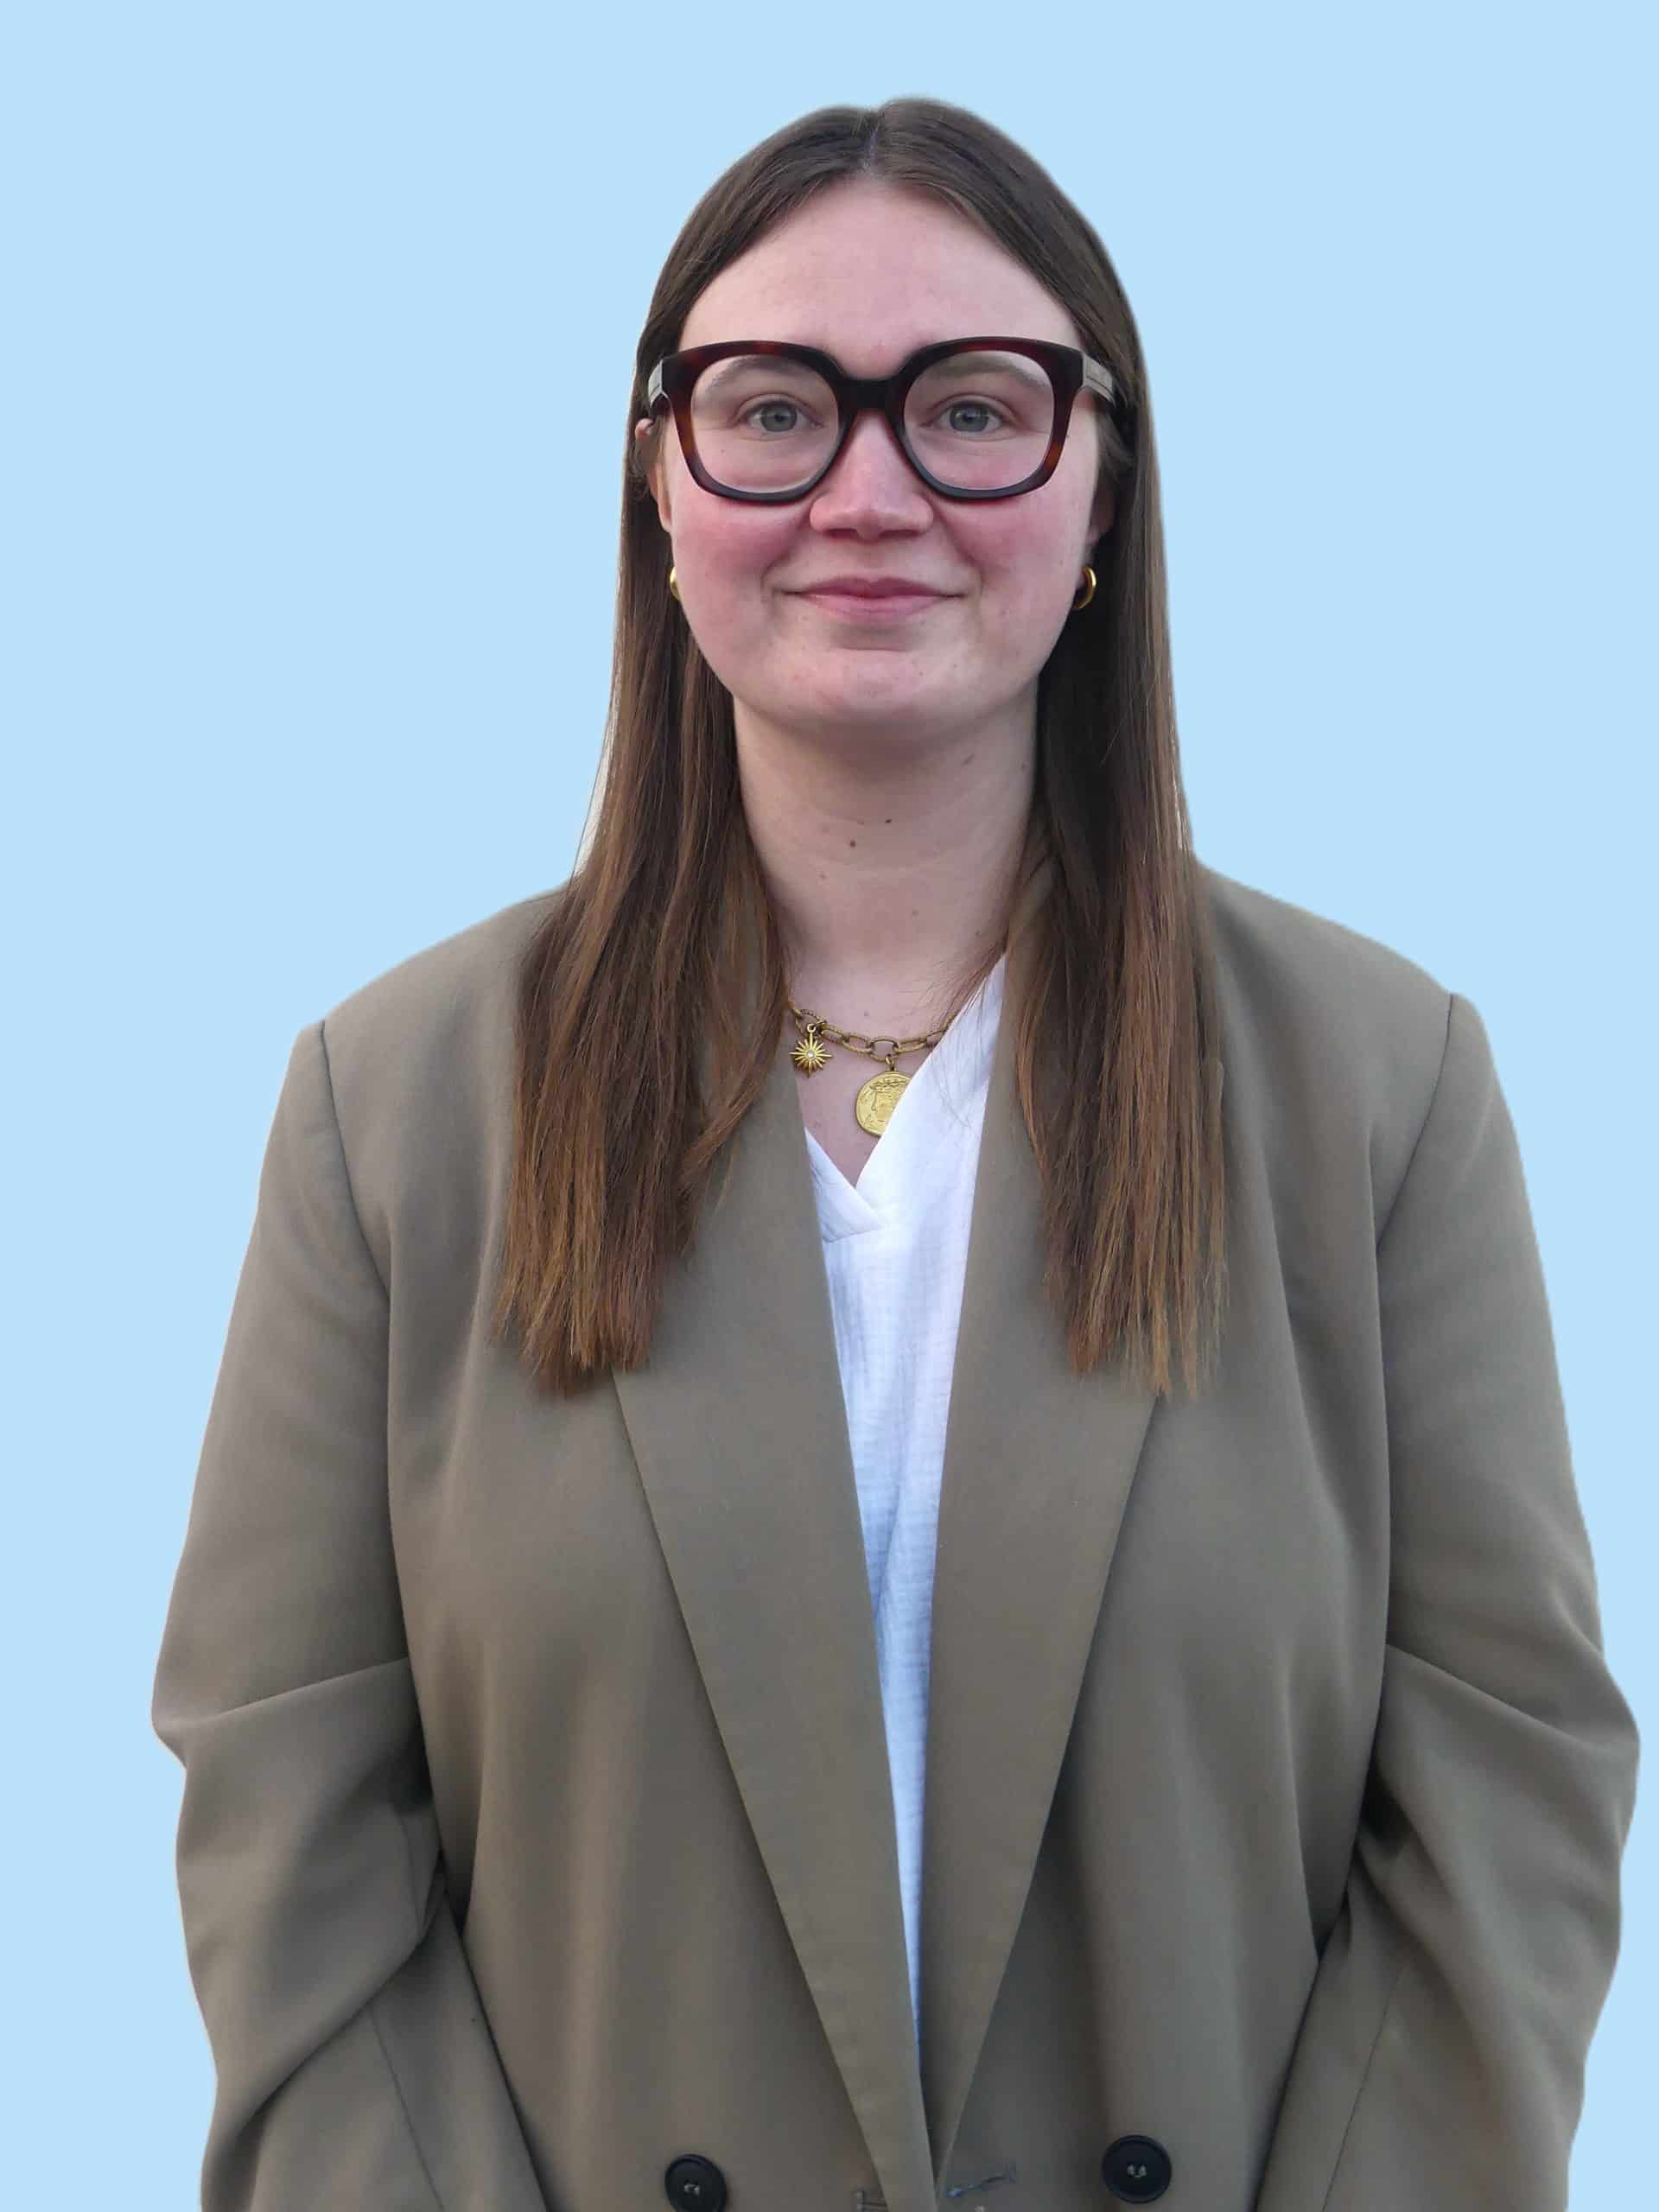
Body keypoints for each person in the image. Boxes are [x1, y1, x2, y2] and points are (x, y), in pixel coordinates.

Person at [152, 96, 1639, 2212]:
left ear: (1104, 485)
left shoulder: (1380, 1090)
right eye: (774, 410)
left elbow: (1507, 1794)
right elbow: (290, 1824)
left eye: (971, 408)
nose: (870, 491)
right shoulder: (391, 1110)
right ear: (659, 487)